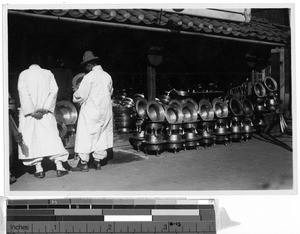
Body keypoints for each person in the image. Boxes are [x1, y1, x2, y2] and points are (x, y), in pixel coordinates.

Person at [17, 54, 69, 178]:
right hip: (45, 113)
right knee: (51, 137)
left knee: (31, 138)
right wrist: (45, 108)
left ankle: (39, 169)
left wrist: (31, 111)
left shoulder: (24, 74)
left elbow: (23, 93)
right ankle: (59, 166)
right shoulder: (48, 73)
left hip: (30, 114)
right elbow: (54, 90)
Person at [72, 51, 113, 172]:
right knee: (101, 134)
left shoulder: (89, 77)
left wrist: (76, 92)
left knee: (86, 135)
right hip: (105, 110)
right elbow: (110, 92)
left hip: (91, 110)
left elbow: (81, 95)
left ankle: (83, 163)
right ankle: (97, 161)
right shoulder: (107, 76)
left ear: (89, 65)